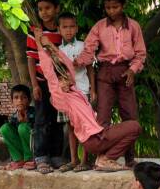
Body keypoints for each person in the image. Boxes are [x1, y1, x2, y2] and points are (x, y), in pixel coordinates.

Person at [34, 27, 140, 171]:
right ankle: (106, 159)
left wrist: (51, 46)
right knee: (135, 127)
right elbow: (49, 71)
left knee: (133, 126)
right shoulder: (60, 97)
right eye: (61, 80)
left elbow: (67, 65)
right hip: (93, 140)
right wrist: (39, 43)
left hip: (99, 136)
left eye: (67, 77)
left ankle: (104, 158)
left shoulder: (75, 91)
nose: (65, 81)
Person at [76, 0, 147, 168]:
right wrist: (75, 63)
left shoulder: (133, 27)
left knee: (130, 115)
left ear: (123, 5)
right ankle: (102, 158)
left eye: (115, 7)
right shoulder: (99, 26)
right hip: (105, 72)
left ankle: (129, 159)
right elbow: (89, 50)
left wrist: (132, 70)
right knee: (103, 117)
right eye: (108, 7)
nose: (111, 11)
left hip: (126, 72)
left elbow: (140, 54)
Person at [26, 0, 64, 174]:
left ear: (57, 9)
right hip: (42, 82)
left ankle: (56, 156)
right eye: (40, 9)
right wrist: (34, 85)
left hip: (60, 84)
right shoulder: (35, 32)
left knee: (58, 119)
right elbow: (31, 59)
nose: (44, 12)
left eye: (48, 8)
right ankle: (41, 157)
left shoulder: (62, 31)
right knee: (41, 120)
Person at [57, 11, 96, 172]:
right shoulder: (57, 50)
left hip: (83, 90)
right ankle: (74, 160)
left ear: (77, 28)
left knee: (85, 126)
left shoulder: (83, 46)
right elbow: (57, 73)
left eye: (72, 26)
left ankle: (85, 161)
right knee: (71, 127)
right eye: (65, 27)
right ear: (59, 29)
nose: (68, 30)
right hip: (67, 94)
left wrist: (93, 89)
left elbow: (90, 68)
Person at [0, 84, 36, 170]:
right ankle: (19, 159)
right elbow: (12, 136)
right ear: (12, 101)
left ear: (29, 100)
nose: (20, 100)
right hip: (22, 147)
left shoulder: (35, 112)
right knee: (4, 128)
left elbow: (39, 132)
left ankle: (30, 159)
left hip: (35, 147)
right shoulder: (13, 117)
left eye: (23, 98)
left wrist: (27, 122)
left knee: (22, 127)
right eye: (16, 98)